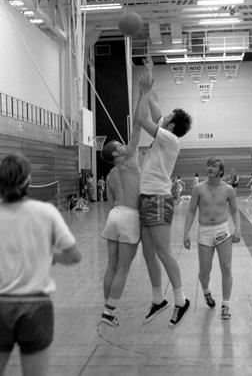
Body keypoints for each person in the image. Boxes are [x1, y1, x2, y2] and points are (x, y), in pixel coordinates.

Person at [0, 153, 82, 376]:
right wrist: (49, 255)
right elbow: (74, 255)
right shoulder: (46, 212)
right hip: (37, 308)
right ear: (27, 181)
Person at [137, 57, 192, 328]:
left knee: (163, 251)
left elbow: (141, 117)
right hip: (146, 196)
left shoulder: (169, 139)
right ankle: (158, 299)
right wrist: (149, 76)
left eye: (168, 117)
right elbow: (153, 103)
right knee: (148, 252)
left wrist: (145, 91)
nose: (165, 115)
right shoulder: (166, 131)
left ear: (170, 126)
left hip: (158, 198)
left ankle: (181, 300)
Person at [99, 76, 148, 327]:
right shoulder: (129, 160)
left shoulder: (109, 175)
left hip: (114, 216)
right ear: (117, 152)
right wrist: (143, 93)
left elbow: (108, 205)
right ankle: (109, 311)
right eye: (120, 144)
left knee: (111, 266)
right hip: (128, 216)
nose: (123, 143)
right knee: (123, 270)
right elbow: (138, 125)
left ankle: (108, 307)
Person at [183, 157, 241, 320]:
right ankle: (207, 292)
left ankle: (225, 304)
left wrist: (238, 229)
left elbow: (235, 211)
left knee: (227, 267)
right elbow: (191, 211)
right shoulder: (198, 188)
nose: (210, 168)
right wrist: (186, 232)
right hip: (204, 232)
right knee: (204, 272)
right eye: (208, 165)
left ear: (221, 170)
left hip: (223, 230)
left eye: (214, 166)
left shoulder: (229, 189)